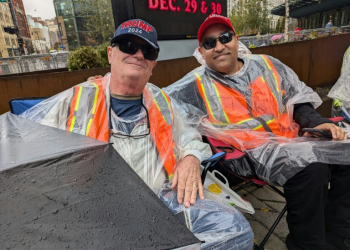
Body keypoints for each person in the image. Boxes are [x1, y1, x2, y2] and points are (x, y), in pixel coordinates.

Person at [21, 18, 253, 250]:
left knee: (236, 231)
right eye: (129, 46)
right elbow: (33, 153)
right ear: (110, 54)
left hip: (160, 204)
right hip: (95, 213)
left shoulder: (162, 101)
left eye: (148, 51)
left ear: (153, 65)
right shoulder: (77, 100)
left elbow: (190, 137)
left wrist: (191, 158)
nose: (139, 54)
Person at [164, 14, 350, 250]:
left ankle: (339, 234)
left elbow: (296, 100)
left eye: (224, 37)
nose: (219, 47)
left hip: (292, 139)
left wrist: (317, 122)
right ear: (201, 52)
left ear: (236, 39)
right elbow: (159, 102)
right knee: (313, 169)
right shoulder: (196, 84)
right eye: (210, 43)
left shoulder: (267, 64)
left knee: (345, 152)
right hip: (246, 153)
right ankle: (308, 244)